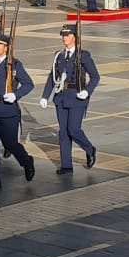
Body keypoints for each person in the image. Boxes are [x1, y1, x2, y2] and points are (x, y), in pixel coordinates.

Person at [39, 24, 98, 173]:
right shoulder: (58, 55)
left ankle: (90, 149)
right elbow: (52, 77)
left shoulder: (83, 55)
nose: (64, 38)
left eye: (67, 35)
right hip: (61, 97)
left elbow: (95, 77)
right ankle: (66, 165)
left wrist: (87, 91)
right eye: (63, 35)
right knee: (63, 132)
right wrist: (45, 96)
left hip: (77, 97)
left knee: (74, 129)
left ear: (74, 37)